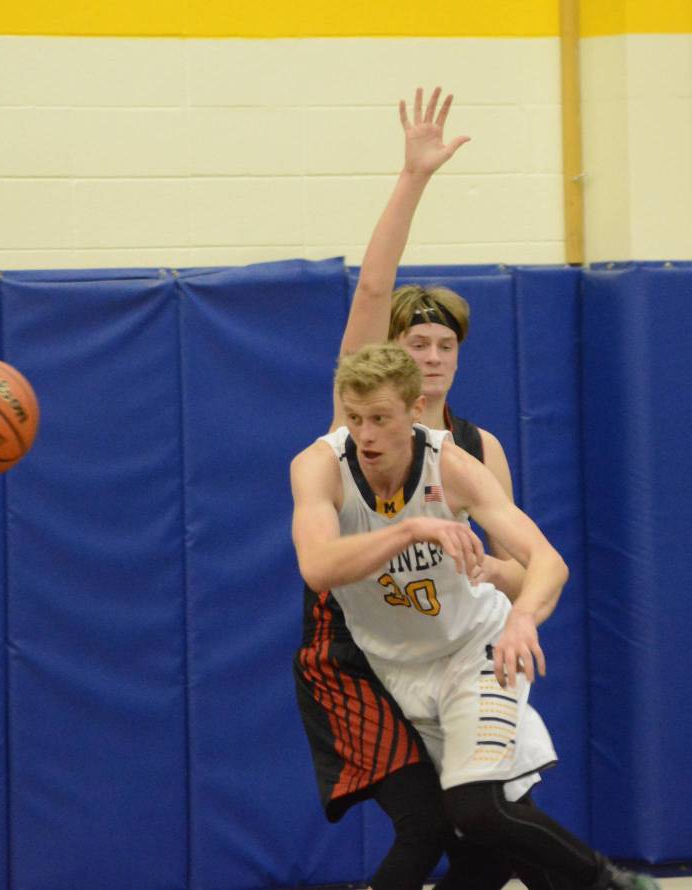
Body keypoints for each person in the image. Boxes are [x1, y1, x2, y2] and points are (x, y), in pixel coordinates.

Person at [290, 341, 660, 890]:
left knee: (477, 809)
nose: (364, 435)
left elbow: (547, 562)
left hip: (475, 651)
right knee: (478, 839)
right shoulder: (320, 465)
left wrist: (523, 619)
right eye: (354, 418)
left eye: (380, 419)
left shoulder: (453, 465)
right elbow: (318, 567)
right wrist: (413, 530)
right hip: (397, 672)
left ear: (415, 411)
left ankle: (610, 882)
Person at [294, 86, 526, 890]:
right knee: (426, 826)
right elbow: (370, 288)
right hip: (360, 652)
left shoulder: (471, 449)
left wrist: (505, 579)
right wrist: (414, 177)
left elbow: (521, 566)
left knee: (483, 840)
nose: (429, 356)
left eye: (442, 346)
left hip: (446, 648)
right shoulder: (356, 413)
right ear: (389, 355)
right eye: (413, 342)